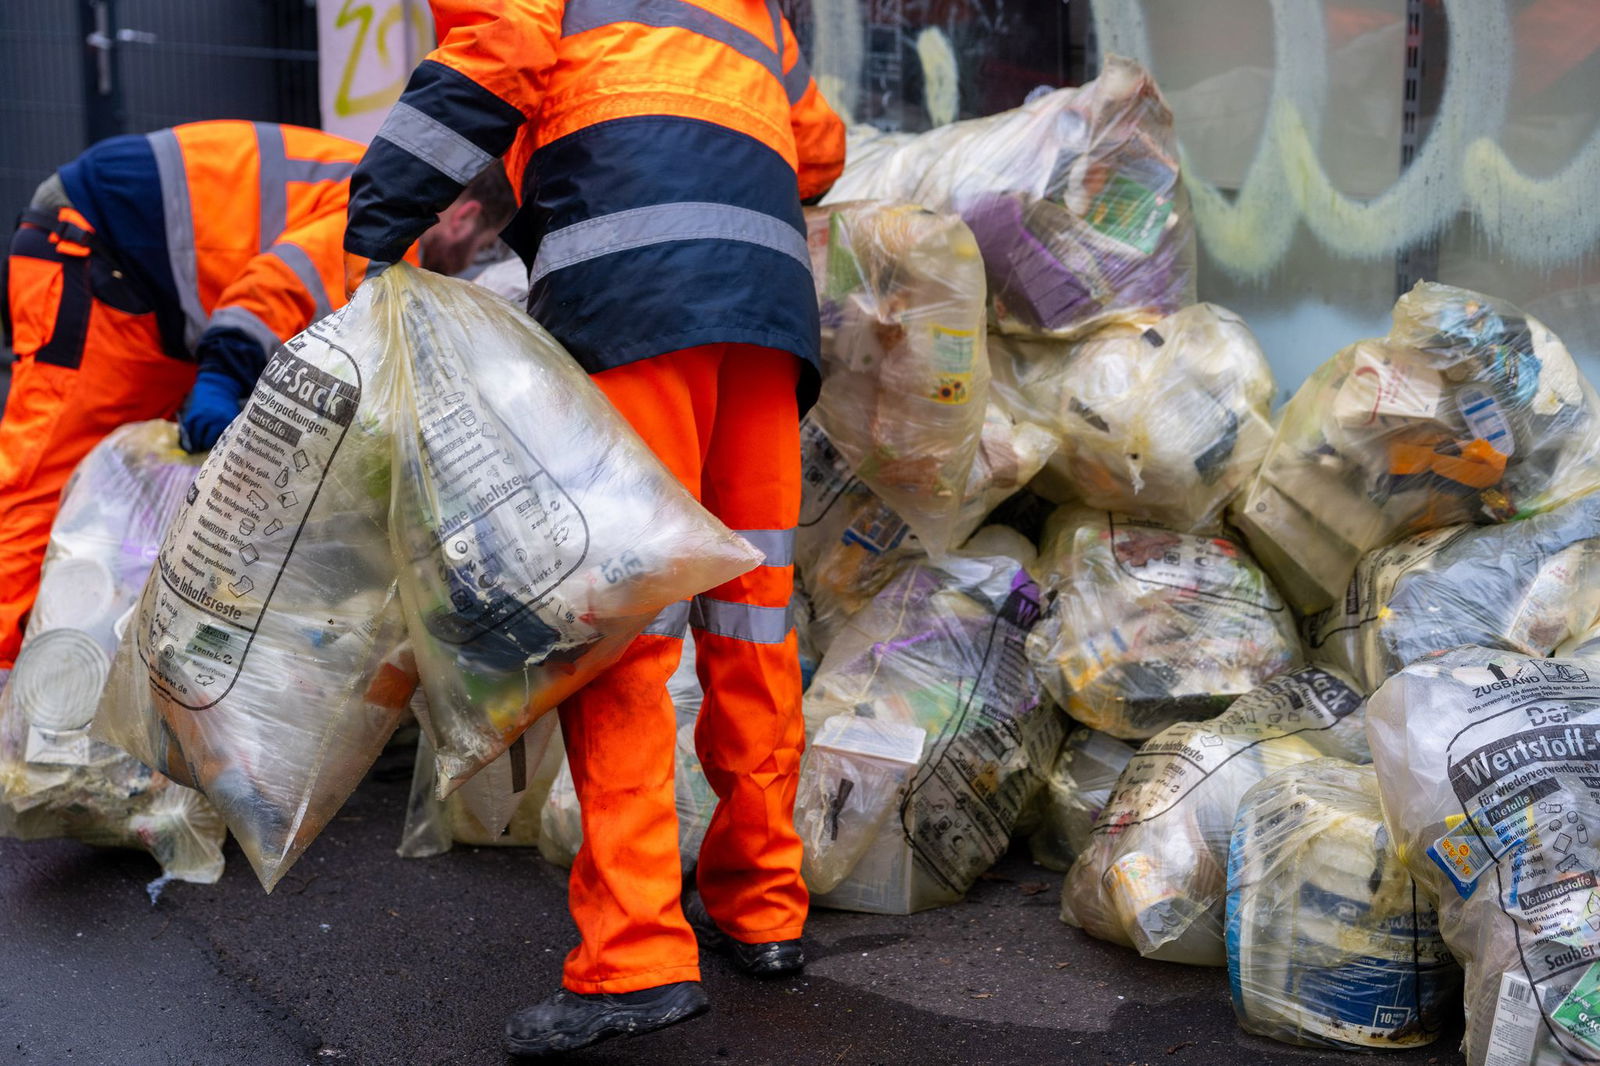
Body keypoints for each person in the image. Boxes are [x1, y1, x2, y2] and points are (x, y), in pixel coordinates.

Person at [343, 0, 845, 1055]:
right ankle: (763, 907)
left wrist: (378, 219)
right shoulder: (750, 11)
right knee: (752, 613)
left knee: (623, 620)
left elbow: (493, 56)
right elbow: (821, 149)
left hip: (630, 290)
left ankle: (634, 958)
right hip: (763, 312)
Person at [0, 119, 514, 669]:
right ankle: (10, 676)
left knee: (127, 495)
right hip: (93, 244)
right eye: (482, 246)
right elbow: (272, 292)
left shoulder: (380, 191)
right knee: (47, 481)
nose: (471, 263)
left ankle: (72, 667)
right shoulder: (390, 219)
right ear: (463, 217)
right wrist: (222, 379)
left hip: (140, 276)